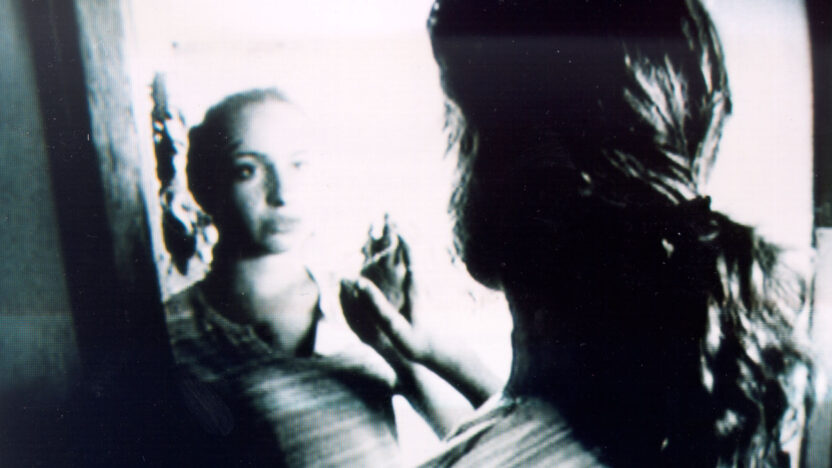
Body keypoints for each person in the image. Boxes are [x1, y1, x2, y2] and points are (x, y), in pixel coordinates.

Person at [352, 1, 816, 466]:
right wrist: (423, 357)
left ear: (516, 167)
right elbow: (523, 437)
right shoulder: (643, 408)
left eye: (458, 124)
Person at [163, 88, 499, 466]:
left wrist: (408, 347)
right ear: (204, 186)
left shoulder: (360, 304)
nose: (282, 193)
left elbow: (482, 440)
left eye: (298, 165)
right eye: (248, 170)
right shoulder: (170, 334)